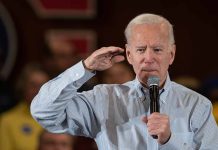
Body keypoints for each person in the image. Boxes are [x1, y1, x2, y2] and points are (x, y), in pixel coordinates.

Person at [31, 13, 218, 150]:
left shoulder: (197, 105)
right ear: (129, 54)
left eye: (158, 50)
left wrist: (170, 141)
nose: (149, 58)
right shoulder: (102, 98)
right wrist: (85, 67)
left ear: (172, 54)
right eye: (141, 49)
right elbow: (43, 112)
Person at [0, 63, 49, 150]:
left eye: (42, 86)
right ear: (23, 86)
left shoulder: (59, 119)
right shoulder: (7, 120)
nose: (38, 91)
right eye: (33, 85)